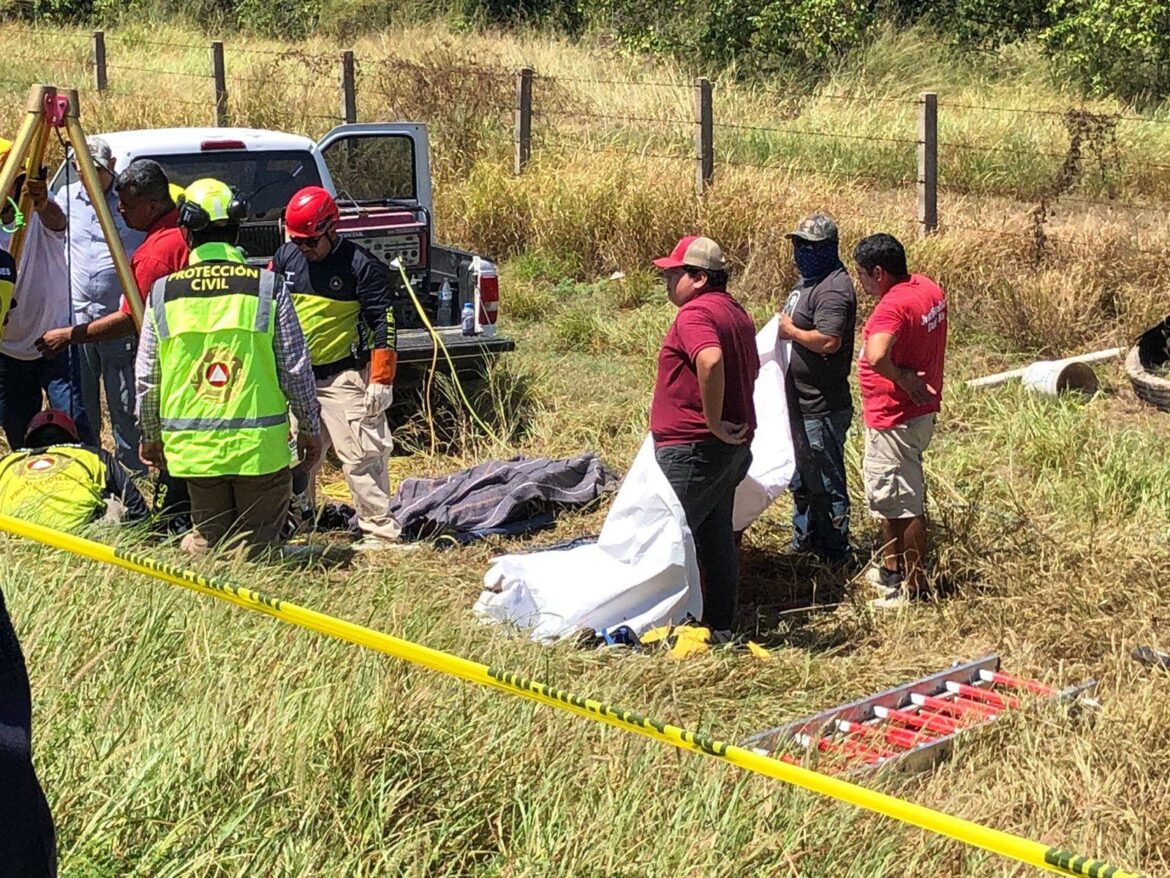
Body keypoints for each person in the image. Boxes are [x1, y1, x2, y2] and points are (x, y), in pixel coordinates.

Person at [135, 178, 322, 559]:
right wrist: (309, 428)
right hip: (259, 450)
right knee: (258, 552)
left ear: (186, 232)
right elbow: (296, 368)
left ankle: (208, 606)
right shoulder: (267, 287)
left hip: (195, 452)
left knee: (210, 542)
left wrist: (151, 436)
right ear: (237, 230)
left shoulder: (163, 293)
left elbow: (147, 377)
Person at [38, 159, 191, 530]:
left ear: (152, 206)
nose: (119, 209)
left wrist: (70, 334)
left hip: (171, 367)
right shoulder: (180, 234)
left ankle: (175, 515)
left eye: (126, 204)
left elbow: (131, 318)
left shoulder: (157, 252)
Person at [272, 186, 401, 549]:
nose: (305, 250)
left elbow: (383, 321)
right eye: (298, 242)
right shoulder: (285, 258)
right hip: (297, 379)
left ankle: (378, 529)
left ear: (332, 228)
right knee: (296, 456)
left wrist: (380, 378)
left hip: (341, 377)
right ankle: (296, 521)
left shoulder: (359, 264)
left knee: (361, 454)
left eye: (311, 242)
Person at [650, 235, 759, 638]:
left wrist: (712, 420)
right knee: (715, 536)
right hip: (726, 447)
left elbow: (710, 360)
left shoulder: (694, 315)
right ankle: (719, 625)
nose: (667, 281)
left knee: (665, 535)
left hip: (694, 446)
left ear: (698, 278)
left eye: (673, 274)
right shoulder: (735, 312)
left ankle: (657, 622)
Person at [853, 233, 947, 607]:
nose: (859, 282)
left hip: (895, 416)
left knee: (904, 501)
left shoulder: (891, 308)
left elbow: (876, 355)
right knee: (890, 498)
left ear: (879, 272)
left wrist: (901, 378)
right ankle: (892, 570)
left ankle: (914, 587)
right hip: (917, 413)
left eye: (861, 274)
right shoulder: (926, 288)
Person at [50, 137, 146, 474]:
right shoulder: (65, 200)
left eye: (96, 168)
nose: (87, 173)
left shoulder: (127, 204)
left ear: (112, 165)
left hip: (118, 320)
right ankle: (91, 466)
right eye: (80, 166)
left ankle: (133, 470)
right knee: (82, 400)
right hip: (77, 319)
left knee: (124, 402)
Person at [777, 212, 857, 563]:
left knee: (825, 481)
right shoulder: (807, 281)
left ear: (828, 249)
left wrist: (790, 332)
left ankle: (836, 551)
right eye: (798, 244)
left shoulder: (834, 288)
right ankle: (806, 541)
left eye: (809, 246)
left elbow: (828, 341)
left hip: (821, 405)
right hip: (798, 402)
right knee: (803, 481)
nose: (801, 251)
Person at [0, 139, 89, 449]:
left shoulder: (37, 211)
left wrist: (40, 202)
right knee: (19, 434)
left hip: (53, 340)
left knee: (73, 424)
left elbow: (58, 221)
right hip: (8, 350)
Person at [0, 409, 147, 529]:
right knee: (112, 503)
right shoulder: (92, 454)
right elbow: (131, 499)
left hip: (15, 533)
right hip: (80, 535)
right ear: (72, 436)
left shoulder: (8, 461)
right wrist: (147, 531)